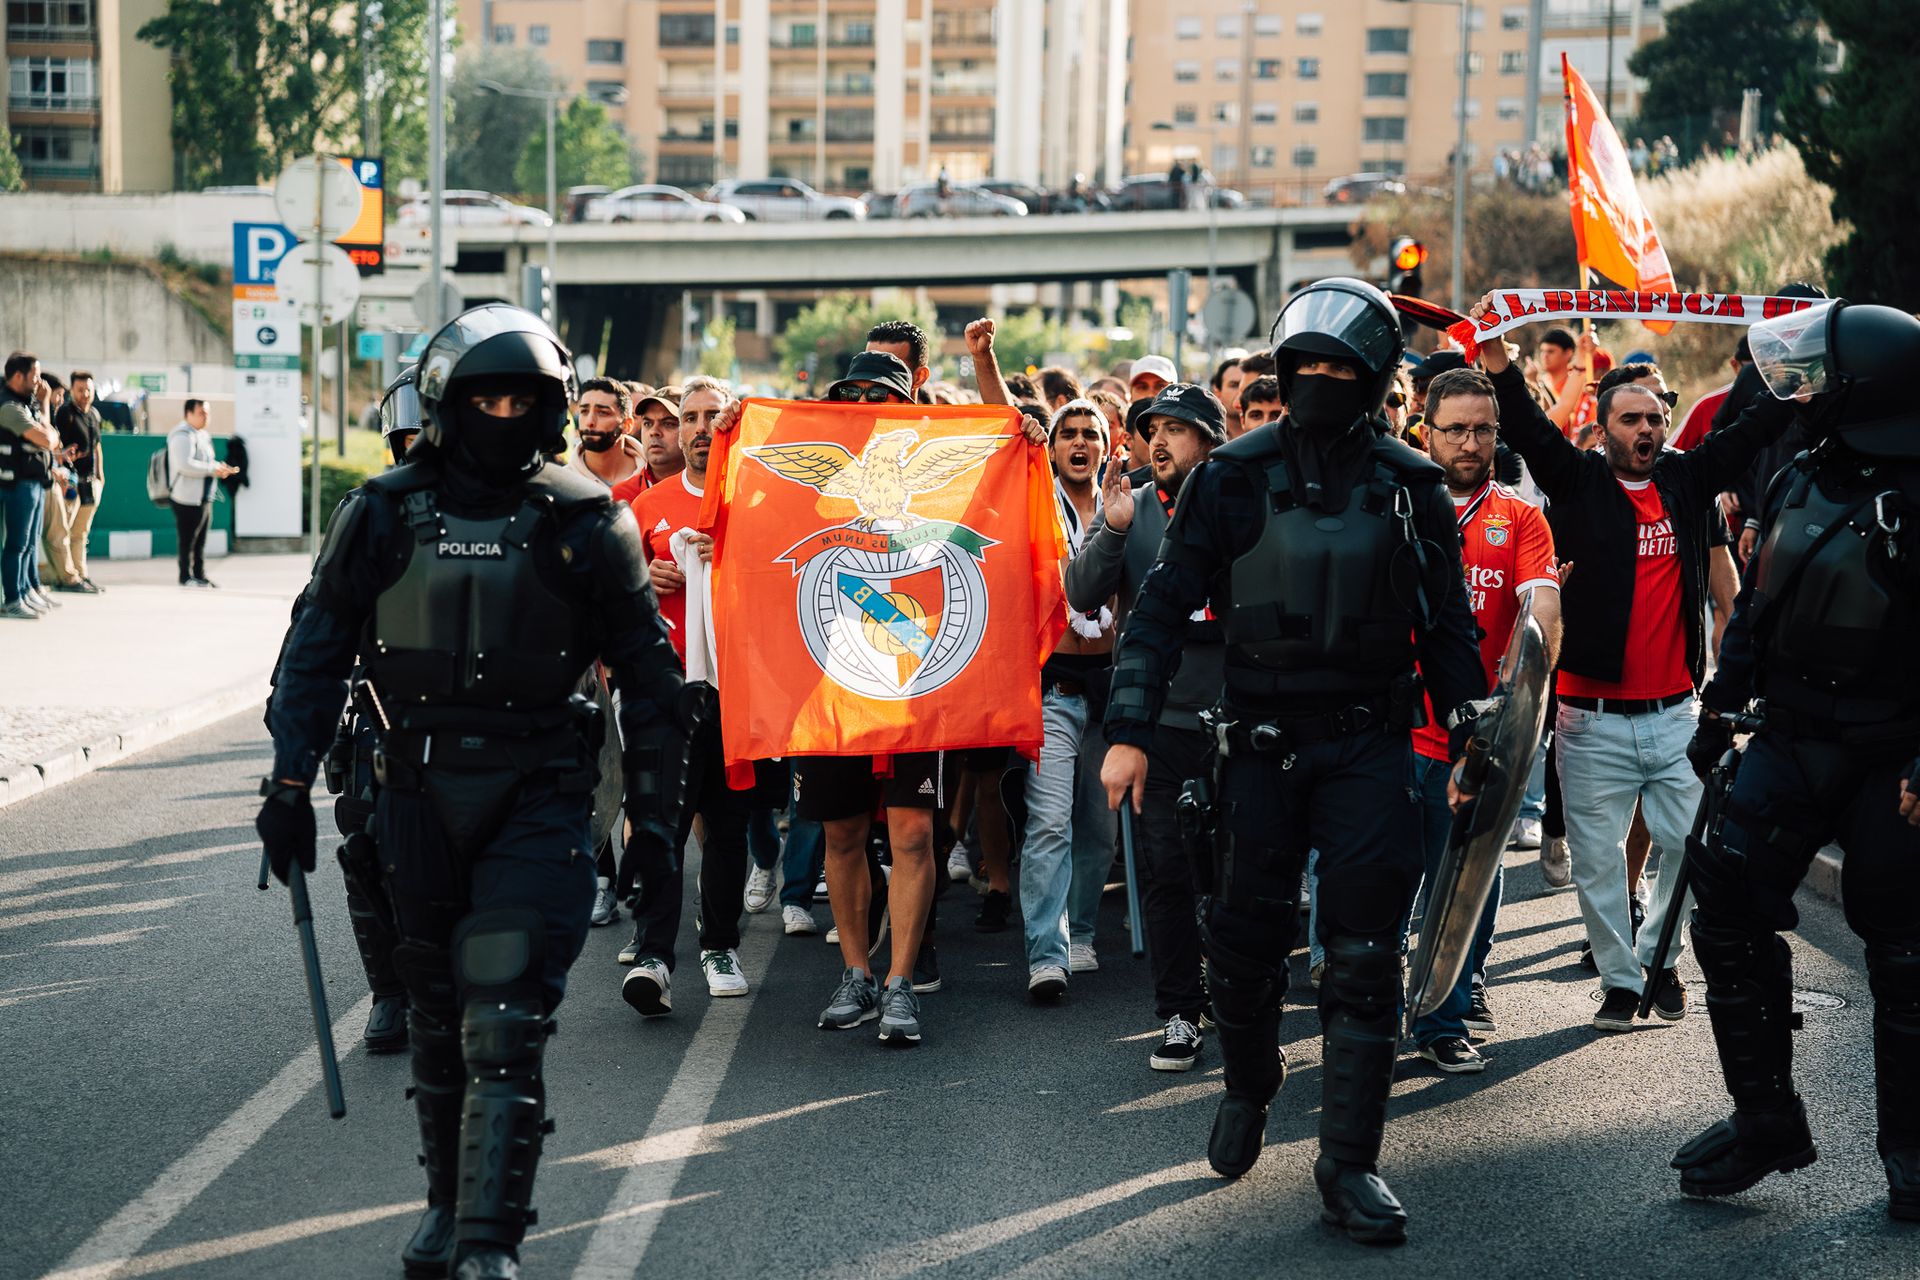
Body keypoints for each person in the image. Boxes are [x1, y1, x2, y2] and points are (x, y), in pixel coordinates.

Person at [256, 304, 687, 1280]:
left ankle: (492, 1242)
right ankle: (447, 1203)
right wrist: (288, 782)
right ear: (448, 401)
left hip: (538, 788)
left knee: (504, 1013)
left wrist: (654, 816)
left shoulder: (585, 519)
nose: (502, 411)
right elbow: (314, 652)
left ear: (550, 408)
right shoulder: (378, 510)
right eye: (486, 394)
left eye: (521, 398)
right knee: (441, 1015)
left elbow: (654, 686)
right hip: (413, 789)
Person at [1101, 278, 1488, 1243]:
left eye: (1338, 370)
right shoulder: (1227, 478)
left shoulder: (1410, 485)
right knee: (1240, 943)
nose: (1319, 382)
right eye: (1303, 367)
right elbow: (1157, 607)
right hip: (1257, 751)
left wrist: (1475, 735)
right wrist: (1128, 731)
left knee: (1362, 962)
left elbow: (1448, 632)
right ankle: (1248, 1081)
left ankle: (1349, 1165)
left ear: (1373, 381)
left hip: (1368, 745)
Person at [1470, 291, 1799, 1033]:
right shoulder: (1580, 483)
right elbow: (1523, 421)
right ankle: (1621, 983)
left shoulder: (1686, 478)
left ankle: (1659, 962)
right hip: (1590, 719)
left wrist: (1801, 363)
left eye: (1654, 417)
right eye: (1631, 419)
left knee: (1687, 851)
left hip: (1678, 714)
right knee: (1596, 862)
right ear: (1604, 428)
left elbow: (1753, 429)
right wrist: (1496, 355)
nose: (1646, 429)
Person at [1673, 301, 1920, 1222]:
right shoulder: (1805, 474)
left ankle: (1912, 1155)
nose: (1799, 390)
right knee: (1726, 914)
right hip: (1788, 738)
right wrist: (1718, 708)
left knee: (1903, 955)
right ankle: (1766, 1119)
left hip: (1892, 756)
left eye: (1819, 376)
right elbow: (1760, 609)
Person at [1066, 383, 1226, 1069]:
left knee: (1235, 870)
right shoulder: (1131, 506)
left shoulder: (1243, 503)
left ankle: (1234, 990)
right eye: (1149, 429)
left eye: (1177, 429)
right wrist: (1114, 528)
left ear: (1210, 442)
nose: (1157, 441)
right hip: (1156, 723)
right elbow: (1080, 593)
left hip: (1238, 723)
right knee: (1165, 870)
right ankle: (1181, 1012)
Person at [1408, 367, 1563, 1072]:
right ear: (1426, 430)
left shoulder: (1522, 518)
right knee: (1375, 883)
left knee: (1468, 874)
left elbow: (1542, 615)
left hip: (1476, 739)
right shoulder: (1394, 502)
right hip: (1388, 731)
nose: (1470, 443)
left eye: (1483, 430)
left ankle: (1447, 1012)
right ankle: (1373, 1010)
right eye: (1456, 429)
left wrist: (1522, 693)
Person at [620, 374, 760, 1009]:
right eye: (689, 417)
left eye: (713, 416)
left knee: (728, 828)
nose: (700, 428)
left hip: (737, 692)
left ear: (730, 422)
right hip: (663, 692)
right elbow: (610, 598)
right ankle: (653, 955)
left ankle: (720, 942)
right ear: (675, 428)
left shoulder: (758, 500)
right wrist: (644, 580)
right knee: (661, 826)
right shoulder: (646, 509)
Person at [1014, 397, 1119, 999]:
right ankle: (1045, 954)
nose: (1080, 444)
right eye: (1068, 435)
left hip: (1111, 691)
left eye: (1091, 434)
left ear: (1107, 446)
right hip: (1052, 690)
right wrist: (985, 359)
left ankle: (1080, 932)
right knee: (1050, 824)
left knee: (1098, 831)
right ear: (1052, 449)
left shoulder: (1123, 507)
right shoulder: (1032, 505)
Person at [1, 351, 60, 620]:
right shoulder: (9, 407)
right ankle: (13, 598)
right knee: (17, 544)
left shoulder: (26, 404)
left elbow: (52, 436)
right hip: (18, 484)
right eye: (34, 376)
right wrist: (45, 406)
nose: (39, 382)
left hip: (33, 481)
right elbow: (47, 439)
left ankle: (26, 591)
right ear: (17, 376)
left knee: (29, 543)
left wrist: (43, 410)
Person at [167, 400, 238, 589]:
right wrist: (212, 469)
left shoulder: (203, 435)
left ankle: (200, 575)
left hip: (204, 497)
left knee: (200, 541)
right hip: (186, 498)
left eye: (207, 413)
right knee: (187, 540)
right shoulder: (181, 435)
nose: (205, 416)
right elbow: (184, 464)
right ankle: (185, 577)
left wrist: (219, 468)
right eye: (201, 413)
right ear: (188, 414)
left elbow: (208, 462)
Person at [46, 370, 105, 593]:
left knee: (81, 533)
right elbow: (55, 445)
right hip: (70, 484)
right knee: (65, 532)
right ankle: (65, 577)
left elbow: (98, 446)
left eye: (88, 389)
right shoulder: (64, 414)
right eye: (80, 390)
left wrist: (101, 475)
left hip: (91, 483)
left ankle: (81, 574)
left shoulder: (94, 415)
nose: (85, 394)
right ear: (72, 390)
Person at [569, 377, 646, 489]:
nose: (590, 422)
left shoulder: (653, 479)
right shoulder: (560, 483)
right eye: (584, 411)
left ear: (627, 425)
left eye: (602, 413)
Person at [1209, 356, 1244, 436]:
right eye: (1234, 385)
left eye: (1248, 385)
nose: (1241, 392)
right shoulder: (1206, 437)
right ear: (1218, 393)